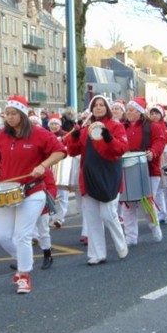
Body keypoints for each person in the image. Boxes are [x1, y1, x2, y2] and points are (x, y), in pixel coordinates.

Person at [0, 95, 66, 294]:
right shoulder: (1, 135)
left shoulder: (39, 134)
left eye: (14, 114)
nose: (10, 117)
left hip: (33, 191)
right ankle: (24, 260)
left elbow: (61, 151)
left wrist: (42, 165)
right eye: (7, 114)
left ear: (22, 114)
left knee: (23, 235)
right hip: (8, 192)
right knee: (3, 235)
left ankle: (24, 275)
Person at [67, 94, 129, 265]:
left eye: (102, 105)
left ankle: (121, 244)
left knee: (108, 214)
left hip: (109, 175)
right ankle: (97, 253)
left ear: (107, 108)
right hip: (89, 176)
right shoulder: (86, 128)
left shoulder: (116, 126)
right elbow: (73, 152)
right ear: (91, 109)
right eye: (95, 105)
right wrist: (74, 136)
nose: (99, 108)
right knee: (92, 216)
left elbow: (121, 149)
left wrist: (109, 138)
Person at [121, 97, 166, 246]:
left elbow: (160, 141)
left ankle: (155, 227)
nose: (128, 112)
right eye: (127, 110)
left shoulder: (152, 127)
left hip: (149, 168)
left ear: (140, 112)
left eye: (132, 110)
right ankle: (130, 237)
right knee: (127, 204)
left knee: (146, 202)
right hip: (127, 168)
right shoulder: (123, 127)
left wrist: (153, 151)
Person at [47, 113, 69, 228]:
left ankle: (59, 218)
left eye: (56, 124)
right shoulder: (46, 135)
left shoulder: (65, 135)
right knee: (51, 193)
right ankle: (53, 216)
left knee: (62, 193)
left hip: (62, 166)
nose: (54, 126)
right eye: (52, 124)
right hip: (50, 167)